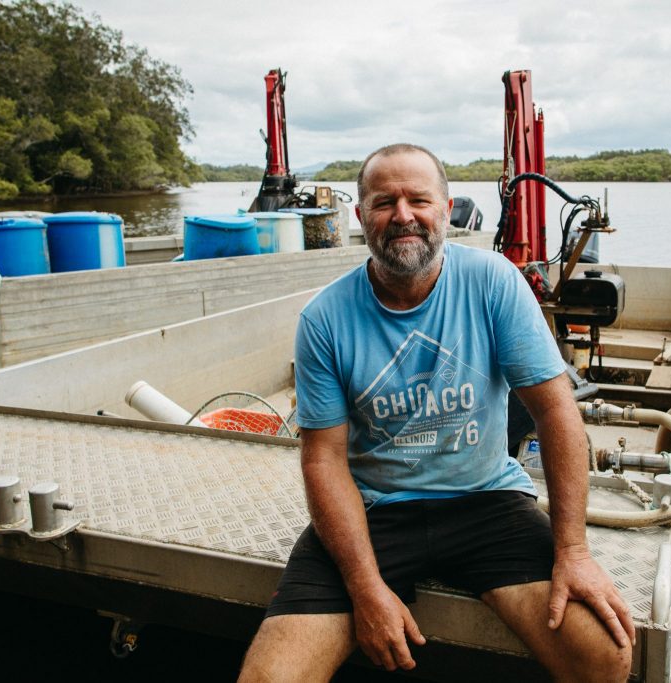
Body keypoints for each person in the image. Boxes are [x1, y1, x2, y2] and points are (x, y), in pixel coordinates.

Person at [239, 143, 633, 682]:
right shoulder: (325, 319)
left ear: (446, 210)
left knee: (603, 655)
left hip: (486, 502)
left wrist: (573, 550)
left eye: (419, 200)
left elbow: (557, 413)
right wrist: (365, 588)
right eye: (384, 203)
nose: (403, 216)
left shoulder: (493, 282)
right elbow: (323, 460)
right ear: (360, 218)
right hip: (374, 511)